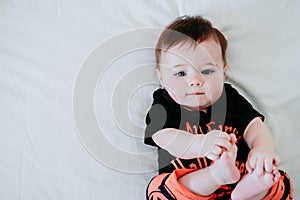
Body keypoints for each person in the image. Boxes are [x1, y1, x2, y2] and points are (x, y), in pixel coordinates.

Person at [144, 15, 293, 199]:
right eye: (181, 73)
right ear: (161, 78)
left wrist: (262, 149)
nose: (195, 81)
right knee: (159, 190)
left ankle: (250, 189)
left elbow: (254, 125)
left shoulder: (229, 98)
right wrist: (201, 145)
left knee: (277, 181)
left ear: (223, 73)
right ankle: (216, 175)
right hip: (191, 190)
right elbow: (163, 137)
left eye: (207, 71)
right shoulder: (165, 103)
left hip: (239, 179)